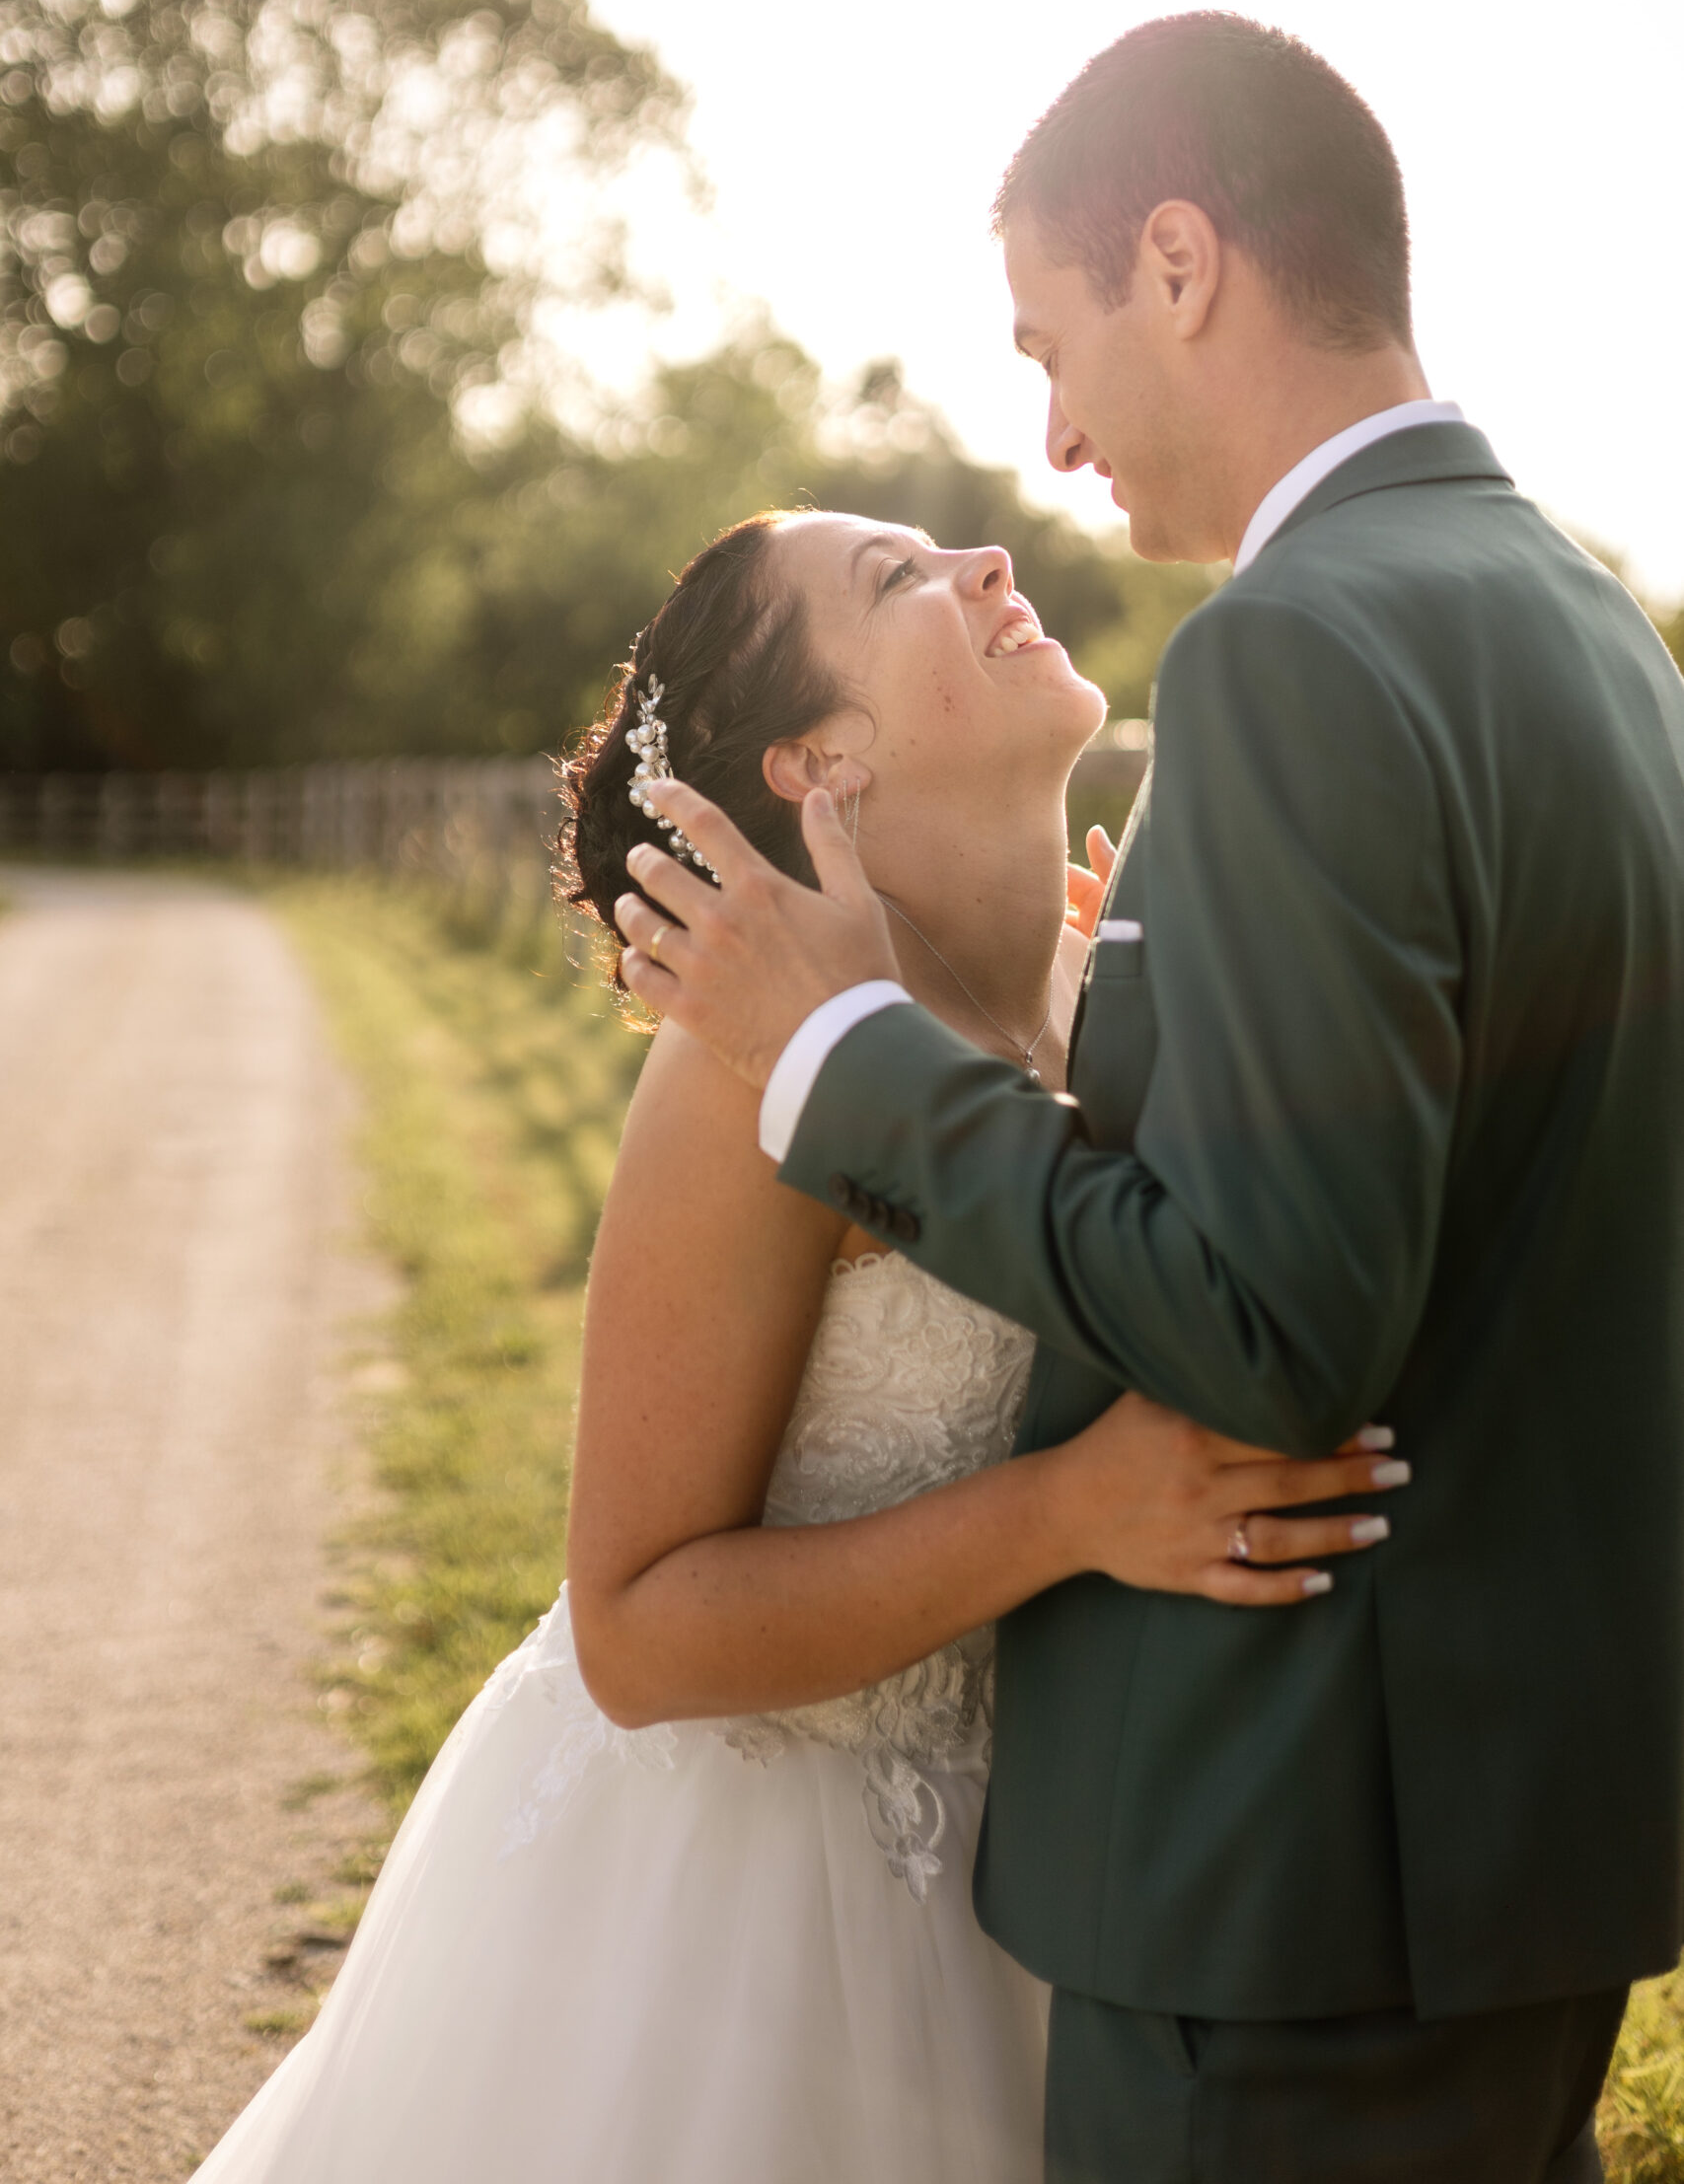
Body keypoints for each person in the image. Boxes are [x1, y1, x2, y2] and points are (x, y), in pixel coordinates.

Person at [616, 14, 1684, 2184]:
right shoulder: (1586, 628)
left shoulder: (1292, 651)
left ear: (1175, 259)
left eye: (1048, 338)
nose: (1050, 439)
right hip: (1509, 1844)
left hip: (1281, 1869)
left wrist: (845, 1061)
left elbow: (1280, 1322)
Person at [191, 506, 1396, 2183]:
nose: (986, 563)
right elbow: (636, 1629)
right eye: (900, 579)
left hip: (1049, 1868)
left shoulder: (1090, 974)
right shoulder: (749, 1072)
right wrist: (1073, 1515)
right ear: (817, 766)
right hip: (749, 1911)